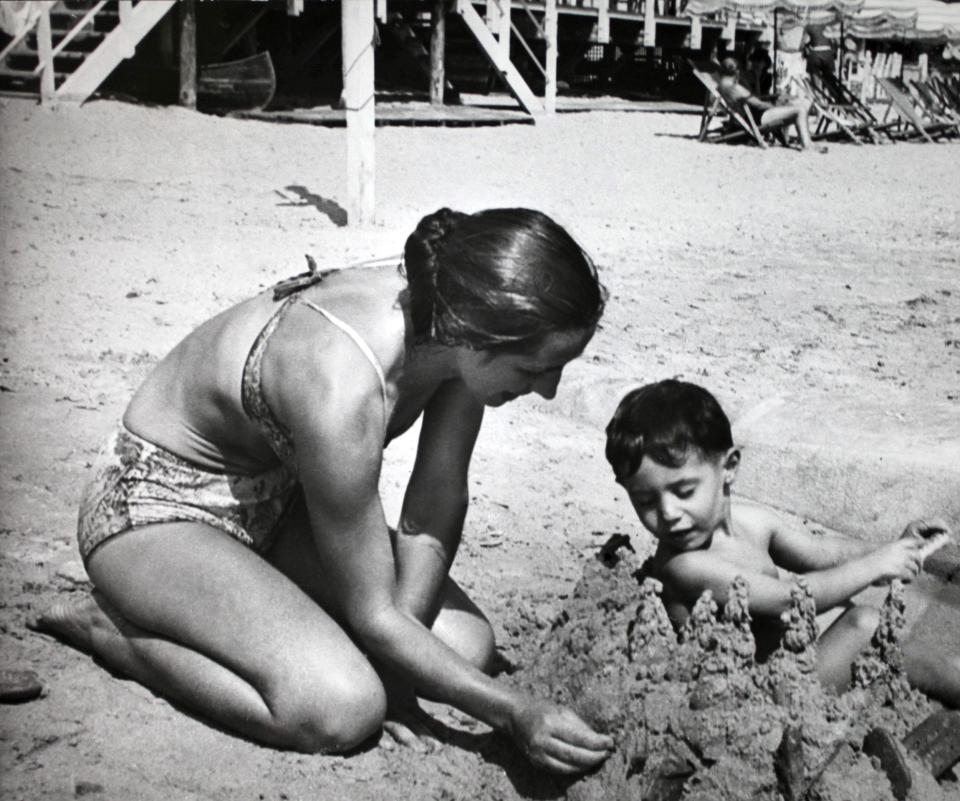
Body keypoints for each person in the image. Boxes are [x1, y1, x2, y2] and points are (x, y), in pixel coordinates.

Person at [33, 207, 616, 772]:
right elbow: (376, 613)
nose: (547, 390)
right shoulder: (343, 380)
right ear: (476, 335)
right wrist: (514, 712)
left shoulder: (459, 314)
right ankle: (113, 632)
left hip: (281, 504)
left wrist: (401, 670)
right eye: (534, 369)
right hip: (158, 508)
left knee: (464, 645)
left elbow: (435, 501)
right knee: (341, 707)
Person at [604, 379, 960, 707]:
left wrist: (891, 549)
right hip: (761, 700)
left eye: (684, 491)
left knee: (861, 618)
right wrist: (875, 566)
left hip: (792, 667)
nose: (668, 513)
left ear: (729, 467)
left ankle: (944, 674)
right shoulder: (685, 566)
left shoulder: (753, 521)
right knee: (864, 625)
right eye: (646, 501)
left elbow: (822, 554)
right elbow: (789, 601)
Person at [716, 57, 827, 153]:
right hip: (758, 118)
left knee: (793, 110)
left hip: (751, 118)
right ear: (737, 72)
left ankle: (806, 142)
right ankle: (807, 145)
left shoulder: (720, 87)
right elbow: (758, 104)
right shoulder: (736, 88)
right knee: (800, 110)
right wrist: (776, 107)